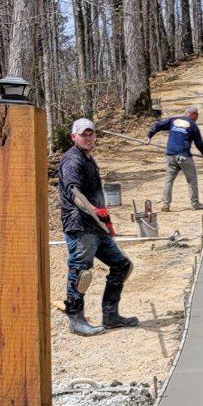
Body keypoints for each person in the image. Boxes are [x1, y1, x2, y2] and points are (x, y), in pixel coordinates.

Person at [58, 117, 137, 336]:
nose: (88, 137)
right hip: (80, 226)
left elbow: (94, 195)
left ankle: (111, 316)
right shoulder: (72, 160)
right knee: (80, 272)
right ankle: (76, 321)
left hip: (95, 227)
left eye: (91, 134)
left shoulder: (88, 158)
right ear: (74, 137)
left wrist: (105, 220)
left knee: (122, 266)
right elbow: (74, 192)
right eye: (83, 134)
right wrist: (93, 210)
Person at [147, 103, 203, 212]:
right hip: (184, 156)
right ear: (192, 114)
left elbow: (158, 125)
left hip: (170, 154)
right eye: (197, 115)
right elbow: (199, 144)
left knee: (168, 180)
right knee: (192, 180)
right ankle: (195, 204)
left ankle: (165, 205)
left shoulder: (173, 120)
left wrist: (149, 136)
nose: (197, 118)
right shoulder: (192, 125)